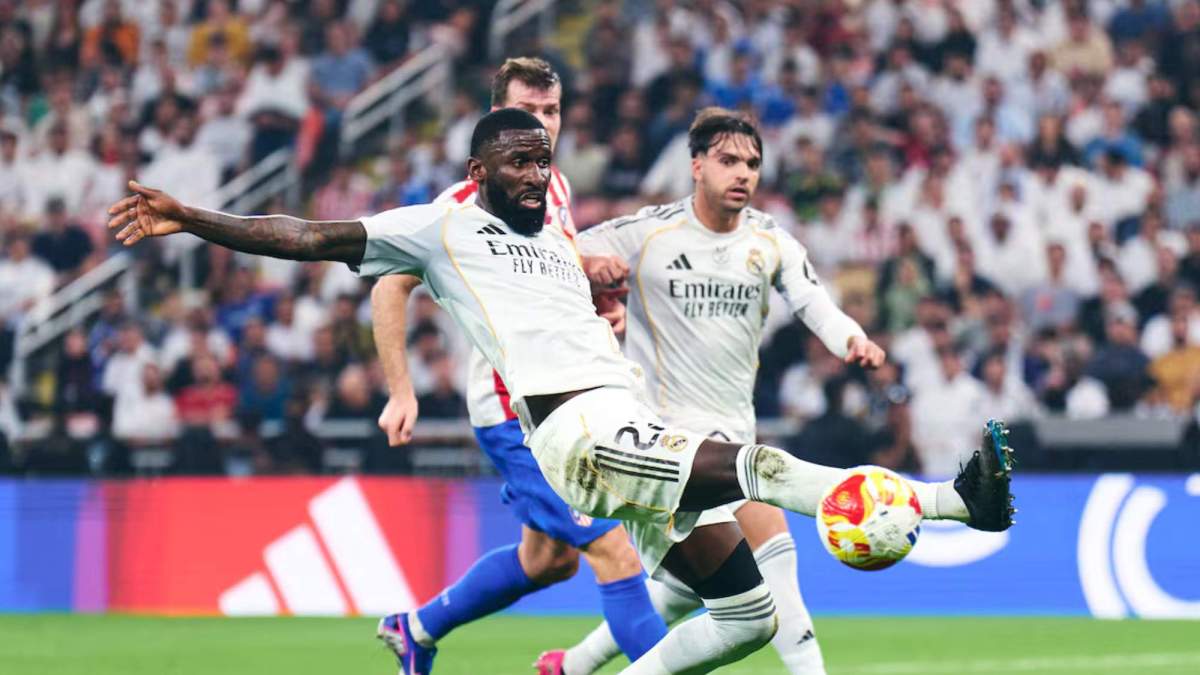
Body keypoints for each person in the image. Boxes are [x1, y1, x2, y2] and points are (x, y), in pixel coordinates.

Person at [107, 108, 1016, 674]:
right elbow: (302, 233)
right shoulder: (438, 226)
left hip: (621, 412)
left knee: (743, 615)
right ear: (478, 170)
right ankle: (954, 503)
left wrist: (607, 292)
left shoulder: (555, 225)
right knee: (756, 468)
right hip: (575, 427)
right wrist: (191, 216)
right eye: (516, 160)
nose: (535, 172)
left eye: (542, 158)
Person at [367, 57, 664, 675]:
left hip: (561, 396)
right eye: (529, 111)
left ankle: (415, 629)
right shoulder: (461, 207)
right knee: (616, 551)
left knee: (548, 560)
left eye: (552, 112)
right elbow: (388, 287)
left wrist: (601, 307)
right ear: (496, 116)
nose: (544, 125)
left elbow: (554, 277)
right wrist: (402, 391)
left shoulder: (554, 188)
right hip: (515, 410)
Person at [552, 108, 864, 675]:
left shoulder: (769, 241)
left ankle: (571, 666)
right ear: (696, 166)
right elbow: (559, 250)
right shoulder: (649, 233)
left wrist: (851, 338)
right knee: (775, 555)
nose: (742, 173)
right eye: (727, 160)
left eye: (752, 163)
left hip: (731, 431)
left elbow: (812, 298)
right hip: (660, 441)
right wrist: (593, 264)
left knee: (684, 587)